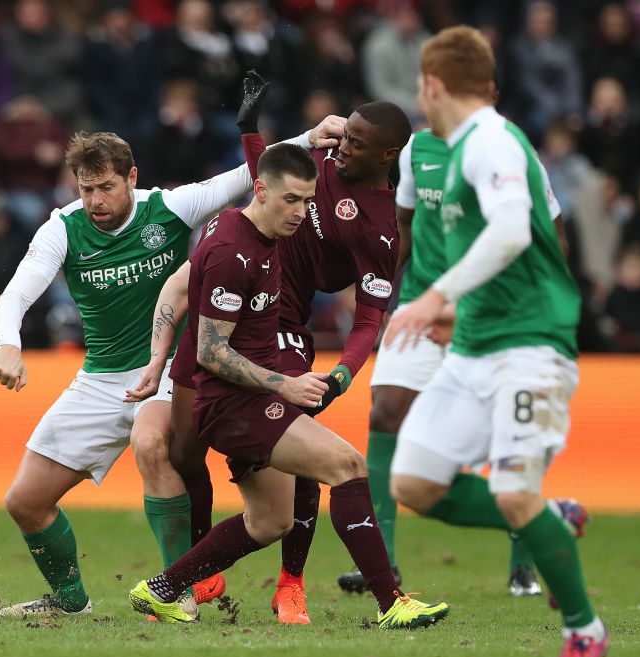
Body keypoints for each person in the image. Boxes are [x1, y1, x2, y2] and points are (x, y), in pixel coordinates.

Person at [0, 113, 345, 618]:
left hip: (174, 371)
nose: (95, 201)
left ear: (132, 178)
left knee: (150, 442)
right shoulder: (62, 228)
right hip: (101, 378)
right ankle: (70, 601)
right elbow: (15, 295)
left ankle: (176, 594)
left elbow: (247, 177)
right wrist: (9, 344)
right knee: (24, 502)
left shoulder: (170, 208)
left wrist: (308, 138)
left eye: (106, 187)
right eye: (86, 189)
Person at [127, 143, 449, 630]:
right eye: (291, 201)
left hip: (248, 398)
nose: (301, 213)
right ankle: (392, 603)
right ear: (260, 190)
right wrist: (286, 384)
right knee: (347, 465)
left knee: (271, 521)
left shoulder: (256, 230)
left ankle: (163, 589)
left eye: (308, 202)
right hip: (233, 405)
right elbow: (213, 352)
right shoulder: (233, 253)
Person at [385, 26, 607, 657]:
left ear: (431, 85)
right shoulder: (455, 153)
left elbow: (512, 229)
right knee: (416, 484)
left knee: (512, 492)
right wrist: (457, 315)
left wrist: (433, 297)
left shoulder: (491, 143)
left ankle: (584, 630)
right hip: (475, 346)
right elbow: (503, 250)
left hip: (530, 349)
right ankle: (552, 519)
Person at [363, 115, 588, 600]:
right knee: (385, 412)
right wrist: (379, 288)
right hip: (422, 306)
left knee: (506, 441)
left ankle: (525, 558)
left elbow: (553, 238)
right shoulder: (415, 150)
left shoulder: (510, 154)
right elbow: (404, 225)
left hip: (486, 316)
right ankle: (382, 565)